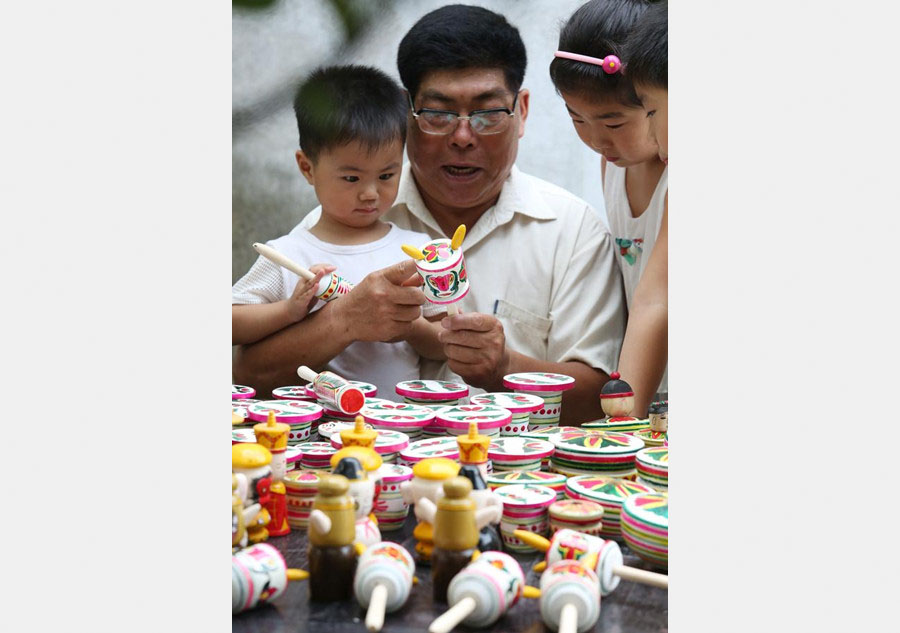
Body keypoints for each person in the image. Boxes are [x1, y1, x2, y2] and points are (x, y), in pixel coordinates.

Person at [235, 5, 627, 424]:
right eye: (439, 113)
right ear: (407, 115)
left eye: (488, 113)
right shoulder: (341, 222)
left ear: (522, 112)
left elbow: (605, 399)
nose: (463, 136)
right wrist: (344, 320)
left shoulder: (572, 232)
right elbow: (245, 377)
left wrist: (504, 366)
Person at [231, 65, 443, 397]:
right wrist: (288, 311)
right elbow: (232, 322)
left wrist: (408, 324)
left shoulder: (416, 251)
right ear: (307, 168)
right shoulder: (288, 255)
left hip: (401, 431)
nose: (370, 192)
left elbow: (441, 347)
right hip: (313, 436)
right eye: (352, 178)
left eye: (387, 175)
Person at [550, 0, 667, 417]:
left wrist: (622, 421)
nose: (598, 140)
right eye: (577, 119)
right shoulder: (613, 167)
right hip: (642, 386)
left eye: (614, 123)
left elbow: (659, 298)